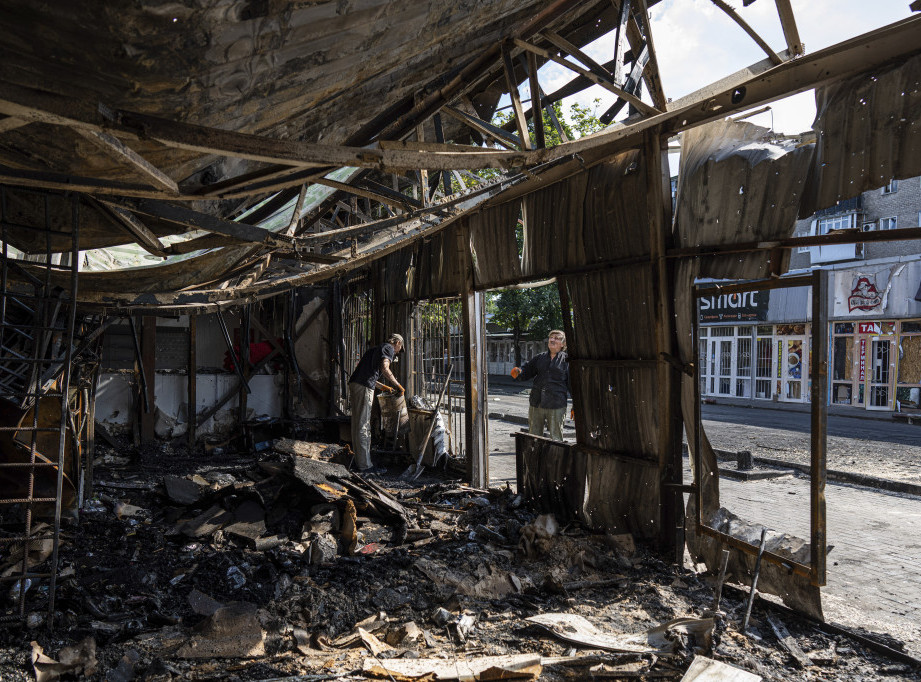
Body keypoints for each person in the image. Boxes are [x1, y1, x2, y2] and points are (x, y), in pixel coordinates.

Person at [348, 334, 405, 473]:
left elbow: (368, 373)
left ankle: (358, 461)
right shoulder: (388, 348)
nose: (397, 352)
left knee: (357, 424)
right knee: (363, 426)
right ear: (397, 342)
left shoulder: (375, 349)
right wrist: (398, 385)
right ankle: (365, 466)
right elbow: (385, 368)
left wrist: (383, 387)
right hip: (363, 387)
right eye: (399, 349)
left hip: (355, 383)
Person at [511, 330, 570, 441]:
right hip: (536, 403)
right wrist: (519, 372)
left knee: (556, 438)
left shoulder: (567, 361)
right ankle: (535, 458)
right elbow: (527, 370)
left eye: (557, 338)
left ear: (563, 344)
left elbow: (573, 384)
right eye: (551, 337)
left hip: (556, 404)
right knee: (533, 437)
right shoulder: (540, 358)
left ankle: (555, 458)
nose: (552, 339)